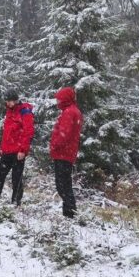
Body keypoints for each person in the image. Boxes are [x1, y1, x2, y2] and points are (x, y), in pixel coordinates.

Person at [0, 89, 35, 206]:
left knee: (16, 178)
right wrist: (1, 147)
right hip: (7, 150)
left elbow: (28, 132)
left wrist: (23, 150)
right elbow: (6, 132)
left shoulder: (25, 111)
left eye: (10, 101)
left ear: (16, 100)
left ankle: (16, 201)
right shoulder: (9, 112)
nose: (8, 103)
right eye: (7, 101)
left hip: (18, 151)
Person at [50, 87, 83, 218]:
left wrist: (54, 145)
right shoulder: (72, 111)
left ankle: (70, 212)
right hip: (66, 152)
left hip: (63, 153)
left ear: (65, 99)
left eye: (59, 99)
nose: (57, 101)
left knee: (62, 184)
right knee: (64, 183)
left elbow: (64, 133)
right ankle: (69, 212)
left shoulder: (69, 112)